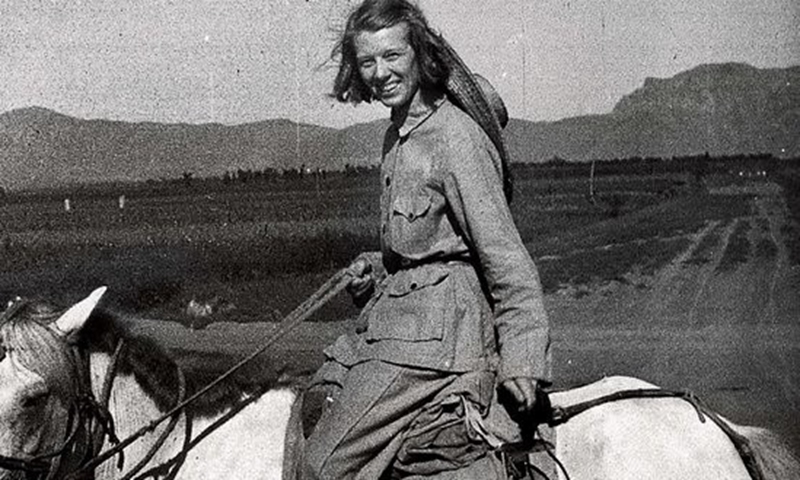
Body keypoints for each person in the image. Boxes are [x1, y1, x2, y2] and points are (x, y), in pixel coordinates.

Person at [303, 0, 551, 478]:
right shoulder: (397, 136)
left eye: (393, 56)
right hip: (401, 327)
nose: (380, 73)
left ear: (420, 53)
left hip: (437, 344)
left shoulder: (455, 138)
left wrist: (522, 356)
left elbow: (503, 255)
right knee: (314, 402)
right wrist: (377, 269)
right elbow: (427, 250)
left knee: (321, 466)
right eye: (367, 61)